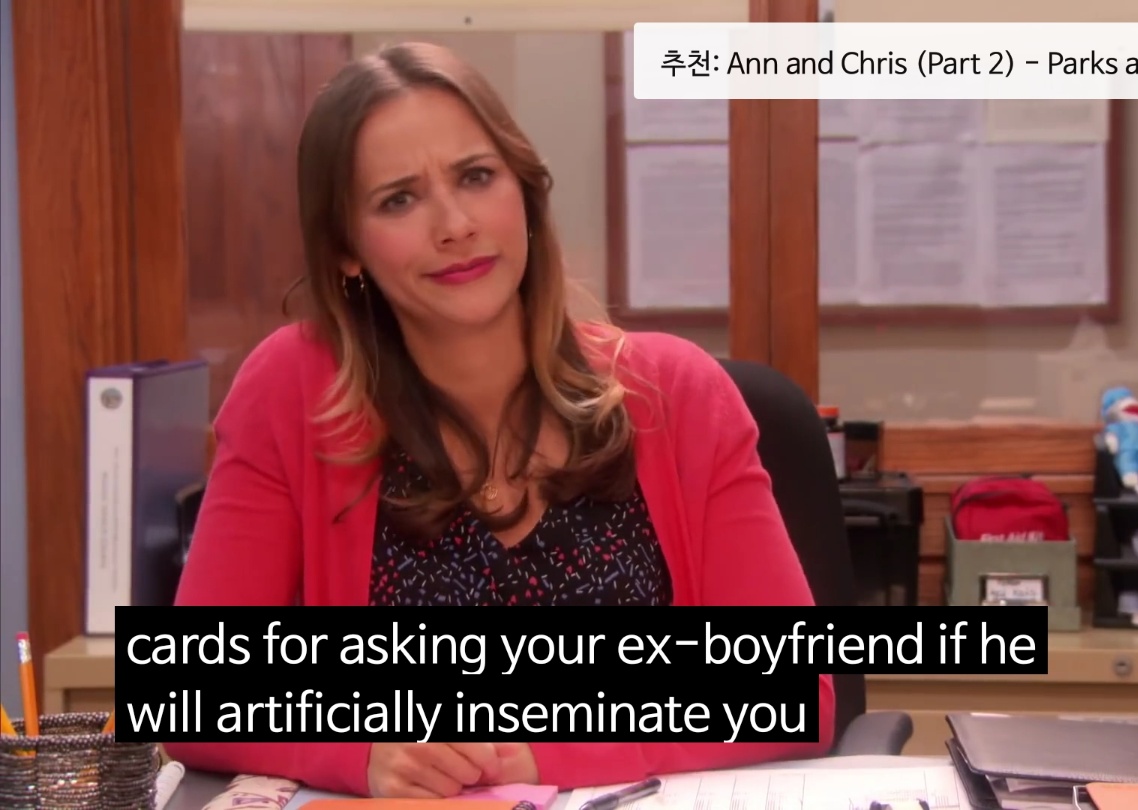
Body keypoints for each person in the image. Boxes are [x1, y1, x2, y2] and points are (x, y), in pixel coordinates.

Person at [165, 41, 835, 798]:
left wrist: (553, 750)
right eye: (399, 200)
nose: (454, 224)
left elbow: (795, 691)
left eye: (476, 177)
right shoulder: (291, 390)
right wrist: (360, 749)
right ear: (347, 250)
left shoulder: (676, 393)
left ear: (524, 194)